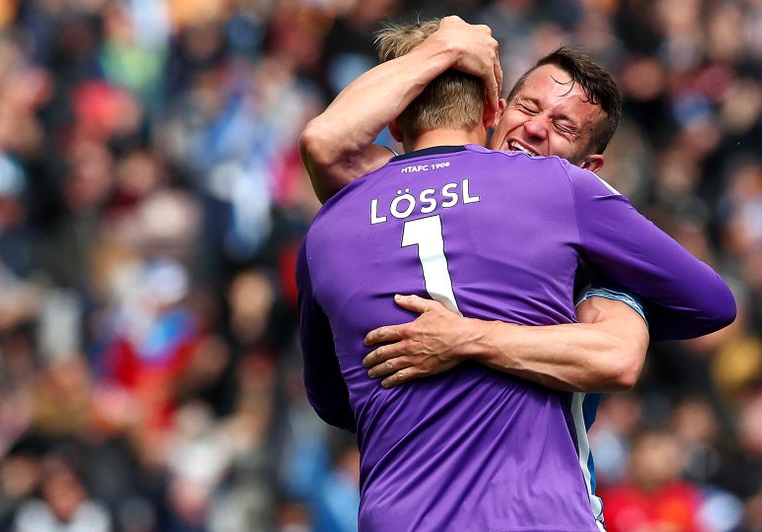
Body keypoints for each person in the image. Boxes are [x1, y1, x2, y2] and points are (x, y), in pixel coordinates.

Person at [298, 19, 735, 531]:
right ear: (494, 110)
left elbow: (334, 400)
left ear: (590, 164)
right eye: (528, 107)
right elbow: (710, 302)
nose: (534, 128)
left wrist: (471, 339)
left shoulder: (333, 222)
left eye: (563, 127)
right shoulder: (556, 188)